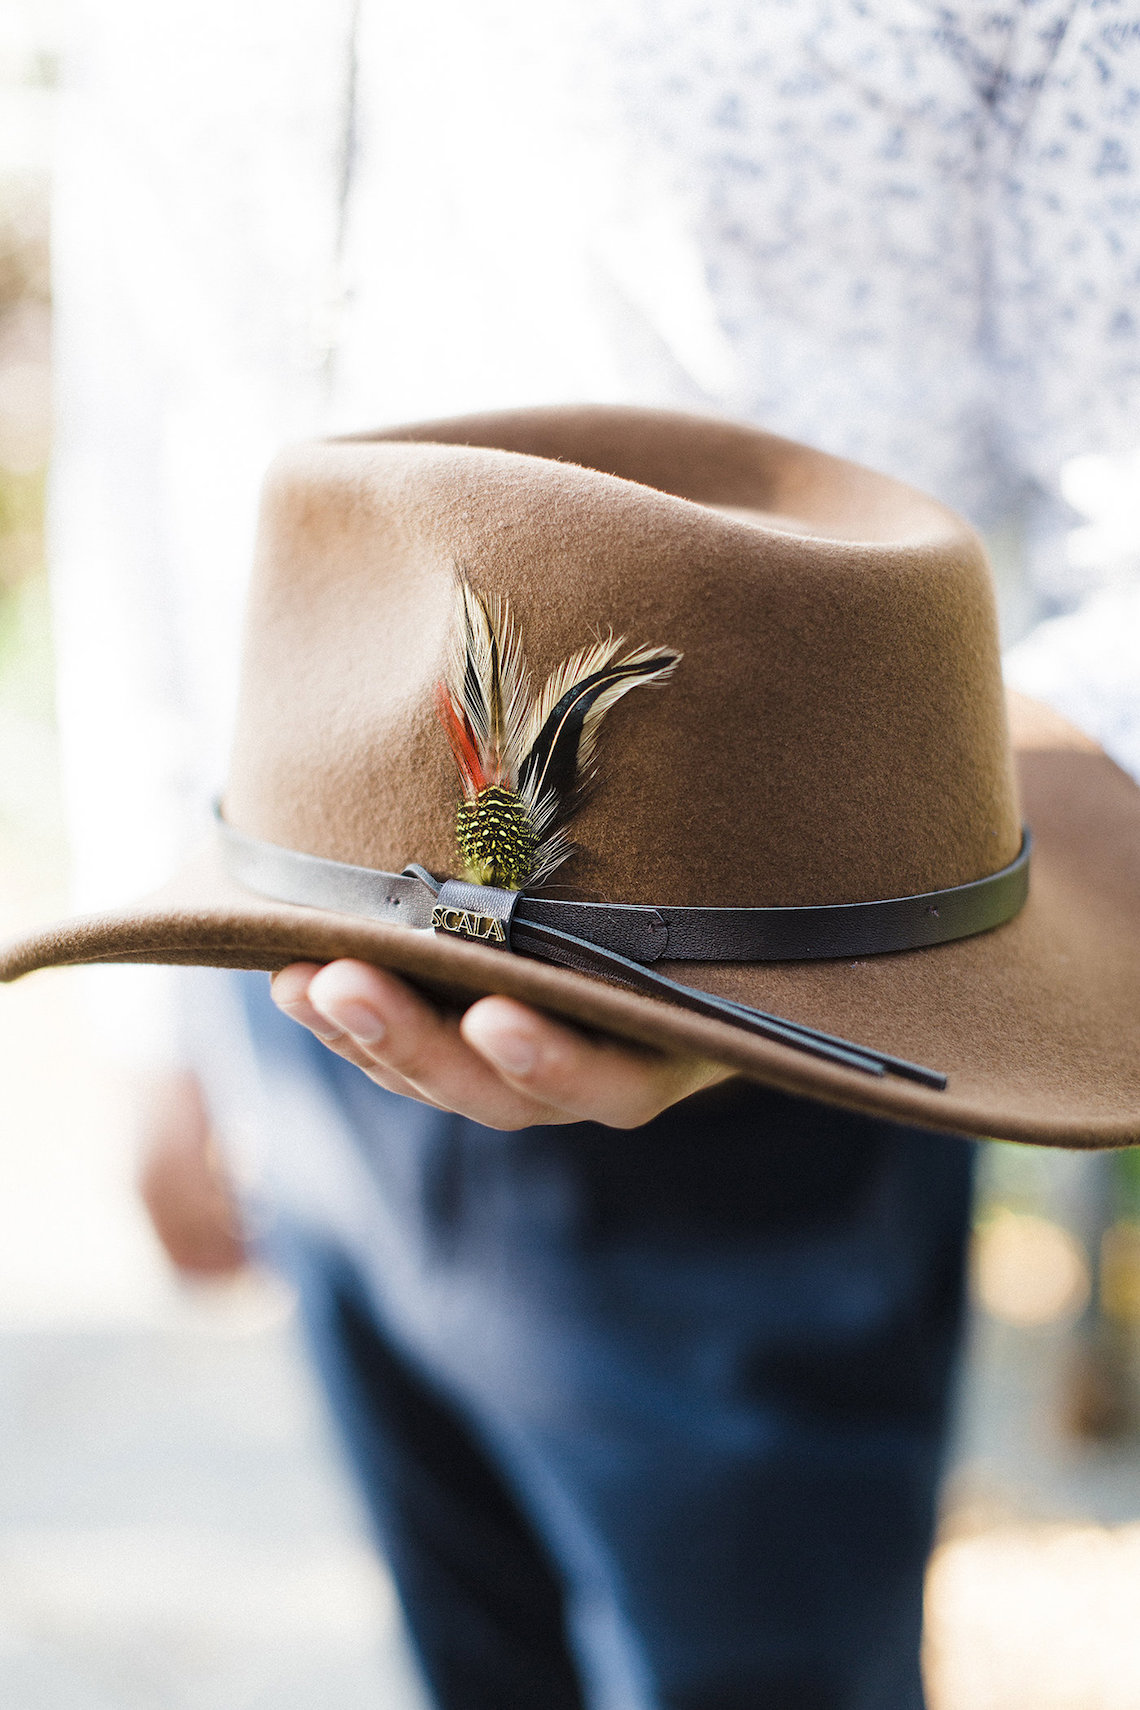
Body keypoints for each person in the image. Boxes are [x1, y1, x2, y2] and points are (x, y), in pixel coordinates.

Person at [50, 4, 1140, 1706]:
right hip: (281, 966)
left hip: (780, 1041)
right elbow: (146, 398)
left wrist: (857, 906)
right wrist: (153, 1017)